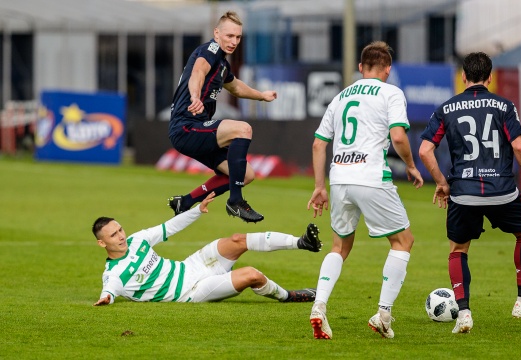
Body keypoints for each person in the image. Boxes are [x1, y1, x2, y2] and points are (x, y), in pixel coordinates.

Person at [418, 52, 521, 334]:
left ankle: (463, 314)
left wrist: (441, 182)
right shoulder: (504, 106)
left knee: (458, 250)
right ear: (490, 77)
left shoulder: (447, 108)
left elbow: (425, 149)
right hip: (502, 190)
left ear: (463, 76)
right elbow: (520, 146)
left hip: (463, 192)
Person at [306, 41, 424, 340]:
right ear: (387, 69)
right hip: (371, 175)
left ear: (361, 68)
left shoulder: (341, 96)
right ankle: (383, 314)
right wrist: (410, 165)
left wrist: (320, 187)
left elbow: (319, 143)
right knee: (402, 241)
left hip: (340, 177)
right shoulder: (391, 92)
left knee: (339, 247)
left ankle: (319, 307)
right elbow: (398, 136)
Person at [93, 193, 322, 306]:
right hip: (192, 291)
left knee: (237, 240)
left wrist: (196, 210)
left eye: (120, 229)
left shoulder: (137, 240)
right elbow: (110, 288)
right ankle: (288, 296)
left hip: (191, 265)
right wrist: (106, 298)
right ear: (102, 243)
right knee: (252, 275)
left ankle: (301, 242)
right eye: (113, 235)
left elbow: (168, 227)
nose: (121, 236)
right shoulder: (114, 272)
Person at [167, 11, 277, 223]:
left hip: (198, 129)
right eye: (229, 36)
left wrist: (261, 96)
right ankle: (235, 201)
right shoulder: (210, 50)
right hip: (186, 126)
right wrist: (195, 96)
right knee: (242, 129)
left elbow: (235, 87)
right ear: (216, 34)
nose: (234, 41)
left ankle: (186, 202)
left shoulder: (223, 64)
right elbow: (198, 72)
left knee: (245, 175)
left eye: (238, 37)